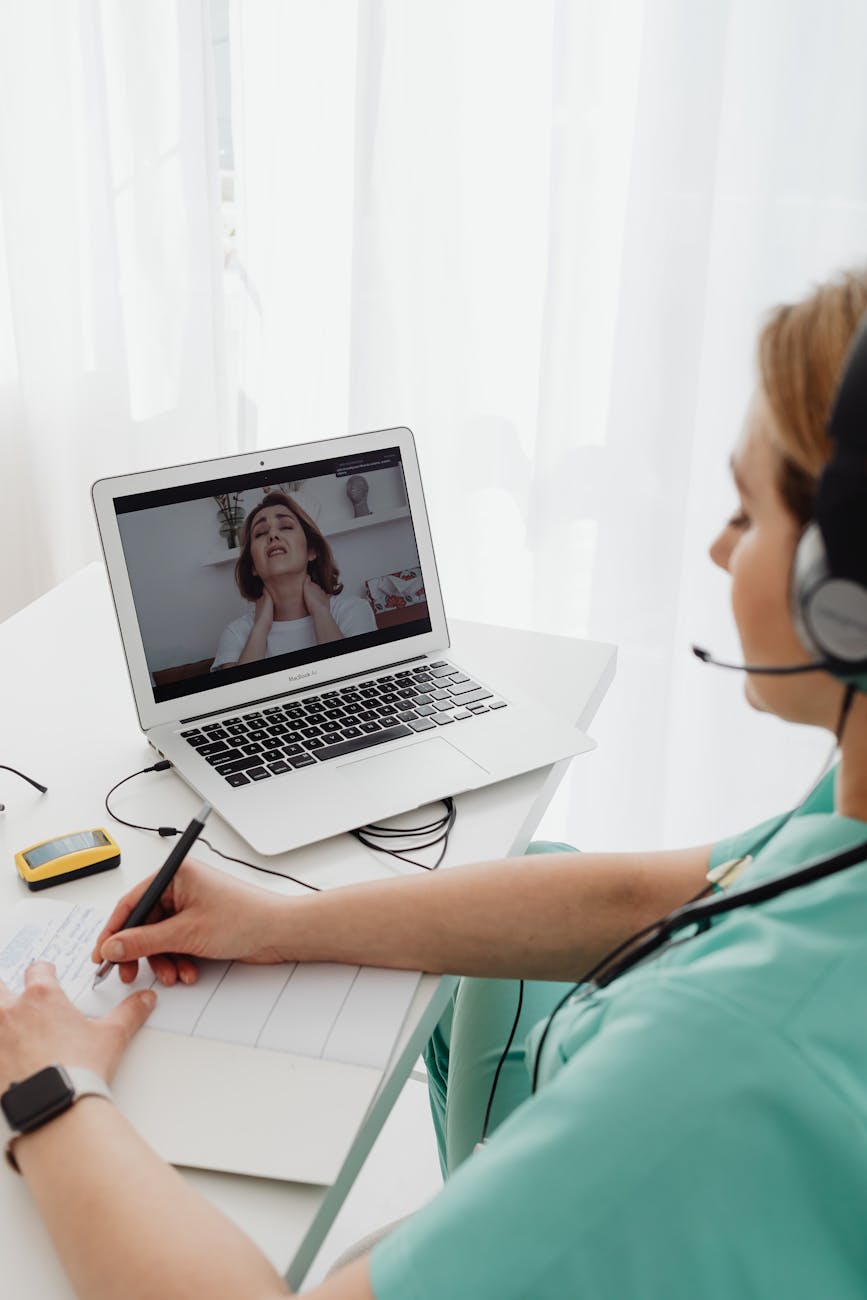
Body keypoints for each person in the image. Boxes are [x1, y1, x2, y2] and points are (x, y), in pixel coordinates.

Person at [3, 268, 867, 1300]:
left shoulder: (715, 1059)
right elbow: (661, 895)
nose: (720, 546)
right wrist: (273, 919)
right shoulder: (839, 822)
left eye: (748, 508)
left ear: (842, 591)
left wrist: (49, 1094)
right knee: (535, 861)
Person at [211, 491, 376, 670]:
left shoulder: (353, 611)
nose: (273, 535)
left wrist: (320, 612)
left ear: (311, 551)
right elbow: (240, 695)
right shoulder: (236, 634)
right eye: (260, 533)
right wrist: (261, 626)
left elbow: (358, 681)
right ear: (253, 566)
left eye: (286, 527)